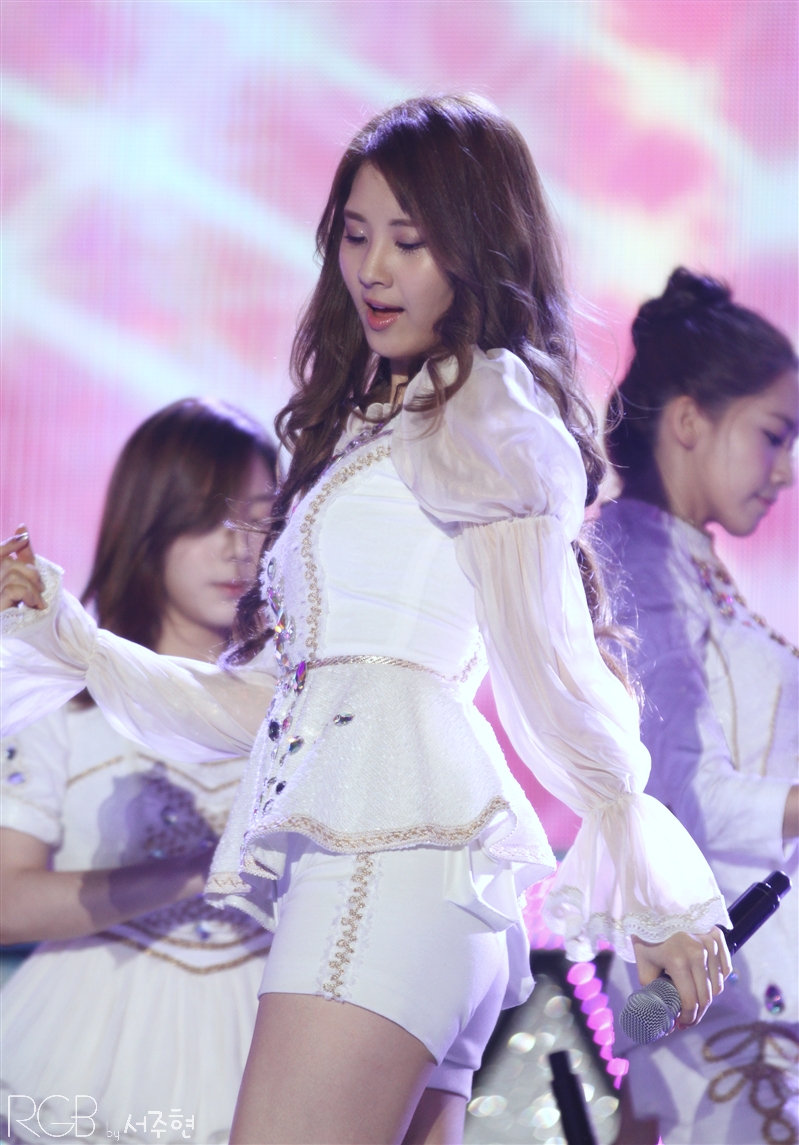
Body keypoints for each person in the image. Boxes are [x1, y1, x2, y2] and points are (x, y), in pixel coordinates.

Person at [1, 98, 733, 1145]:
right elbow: (263, 701)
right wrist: (69, 637)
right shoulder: (386, 420)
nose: (373, 270)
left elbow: (550, 662)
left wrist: (647, 871)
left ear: (476, 250)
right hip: (398, 876)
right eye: (354, 235)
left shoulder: (483, 406)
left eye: (409, 239)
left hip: (384, 866)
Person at [0, 399, 277, 1145]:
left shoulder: (300, 701)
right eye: (207, 518)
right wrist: (199, 872)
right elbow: (5, 899)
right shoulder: (66, 696)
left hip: (269, 1040)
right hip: (89, 1043)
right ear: (149, 521)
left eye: (258, 520)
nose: (238, 548)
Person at [599, 268, 798, 1145]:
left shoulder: (686, 563)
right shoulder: (634, 560)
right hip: (708, 972)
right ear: (688, 420)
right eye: (772, 435)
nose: (784, 471)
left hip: (756, 973)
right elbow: (675, 787)